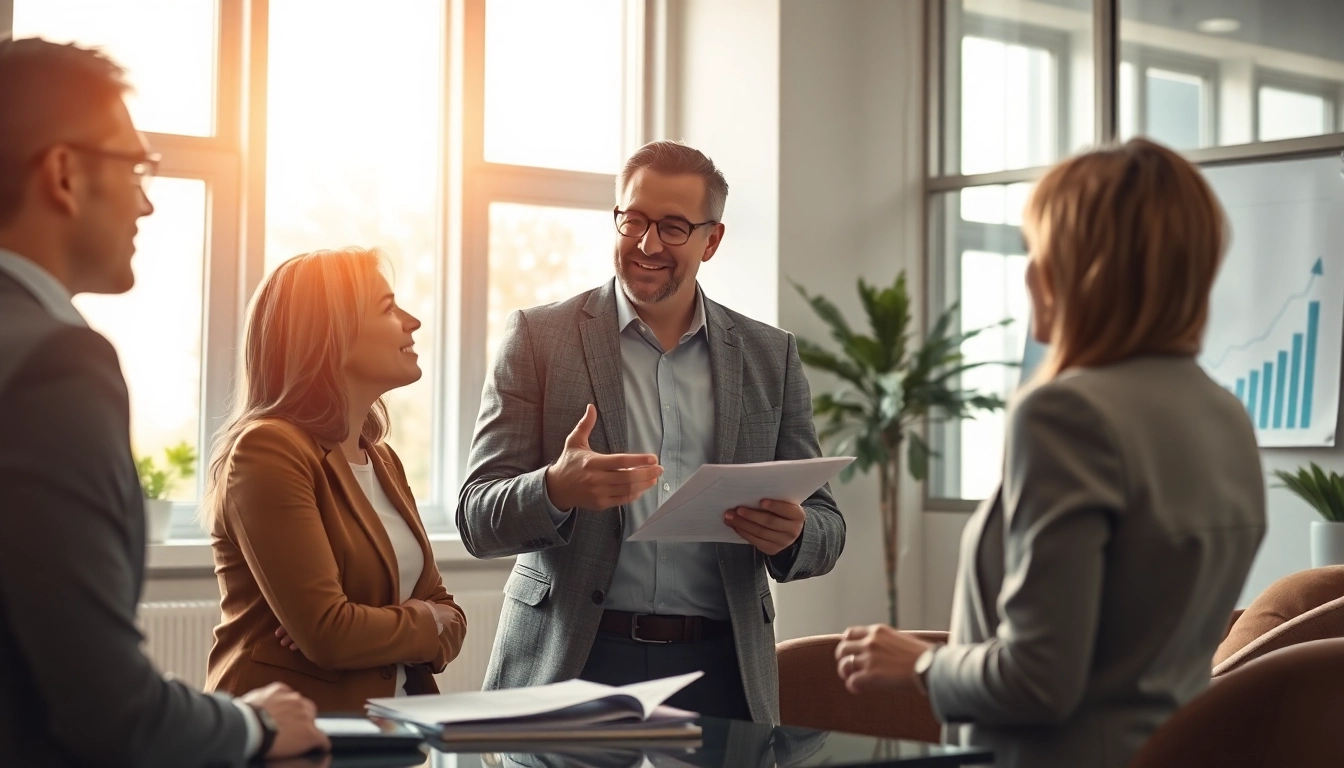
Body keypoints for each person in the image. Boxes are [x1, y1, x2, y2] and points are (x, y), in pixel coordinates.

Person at [834, 138, 1267, 768]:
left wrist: (921, 663)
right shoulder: (1226, 416)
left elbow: (1039, 678)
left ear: (1082, 269)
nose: (1030, 270)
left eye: (1038, 249)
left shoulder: (1067, 414)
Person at [0, 37, 328, 766]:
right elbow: (109, 711)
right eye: (135, 165)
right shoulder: (55, 366)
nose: (147, 200)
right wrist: (256, 725)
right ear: (62, 173)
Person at [457, 140, 846, 723]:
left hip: (720, 669)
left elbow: (827, 527)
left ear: (711, 240)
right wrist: (556, 489)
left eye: (672, 227)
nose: (647, 244)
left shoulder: (771, 355)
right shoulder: (539, 339)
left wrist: (793, 533)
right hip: (574, 657)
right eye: (633, 220)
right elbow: (476, 519)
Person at [203, 247, 468, 712]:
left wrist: (379, 624)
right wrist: (426, 621)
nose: (412, 322)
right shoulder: (268, 449)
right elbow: (330, 635)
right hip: (294, 739)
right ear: (331, 333)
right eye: (388, 308)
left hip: (396, 735)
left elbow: (453, 614)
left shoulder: (382, 459)